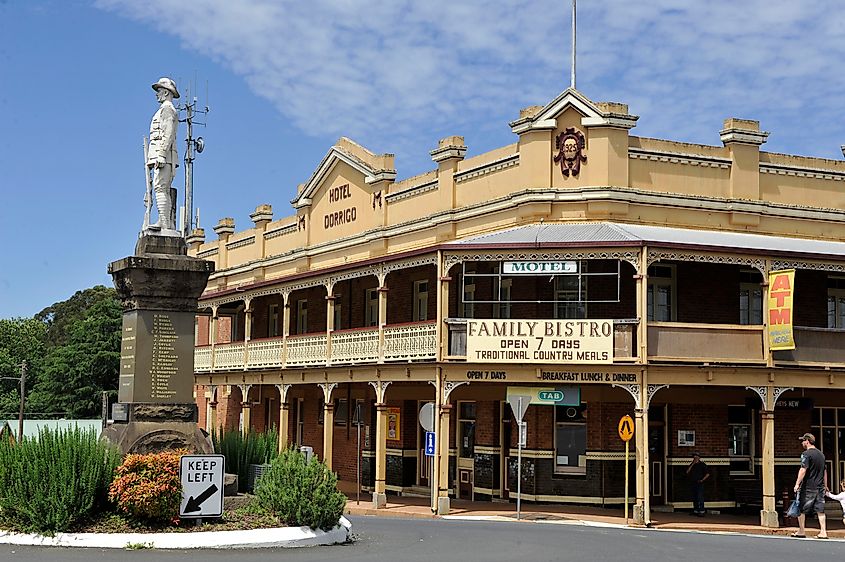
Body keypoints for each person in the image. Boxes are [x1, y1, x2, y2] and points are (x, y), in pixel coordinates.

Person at [147, 77, 179, 231]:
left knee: (161, 188)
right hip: (162, 157)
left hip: (164, 157)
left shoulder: (167, 110)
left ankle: (165, 224)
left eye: (159, 91)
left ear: (166, 92)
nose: (157, 94)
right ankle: (163, 220)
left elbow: (168, 133)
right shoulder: (164, 110)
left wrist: (161, 154)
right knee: (161, 189)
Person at [792, 432, 828, 539]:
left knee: (801, 508)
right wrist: (825, 485)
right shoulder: (821, 454)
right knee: (820, 510)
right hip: (820, 486)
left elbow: (803, 469)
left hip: (808, 486)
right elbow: (825, 471)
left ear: (807, 441)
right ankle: (823, 532)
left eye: (803, 441)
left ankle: (801, 530)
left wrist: (797, 484)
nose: (802, 443)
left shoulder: (806, 454)